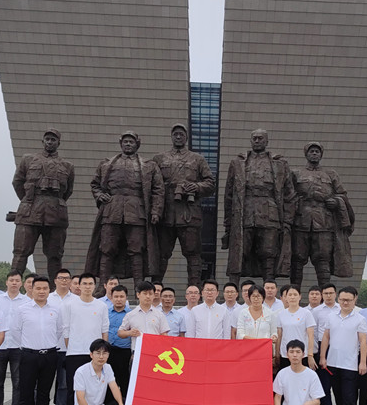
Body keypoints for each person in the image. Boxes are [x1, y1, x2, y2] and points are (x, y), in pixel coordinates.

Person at [85, 130, 164, 290]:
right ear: (120, 144)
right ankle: (102, 287)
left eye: (131, 142)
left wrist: (156, 211)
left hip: (137, 212)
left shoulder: (149, 165)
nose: (128, 144)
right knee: (106, 248)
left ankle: (139, 288)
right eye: (125, 141)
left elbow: (158, 190)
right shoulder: (106, 164)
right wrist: (99, 195)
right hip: (111, 210)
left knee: (137, 250)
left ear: (137, 144)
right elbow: (95, 184)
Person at [222, 129, 296, 284]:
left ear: (266, 141)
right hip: (245, 212)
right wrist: (228, 223)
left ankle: (269, 287)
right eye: (254, 138)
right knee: (239, 251)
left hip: (270, 213)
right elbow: (229, 195)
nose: (257, 141)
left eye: (260, 138)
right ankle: (232, 289)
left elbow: (289, 194)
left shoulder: (280, 163)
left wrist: (287, 221)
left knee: (269, 252)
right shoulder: (237, 163)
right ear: (250, 141)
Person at [152, 123, 215, 286]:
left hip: (189, 213)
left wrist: (196, 187)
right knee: (161, 253)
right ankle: (155, 287)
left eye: (181, 134)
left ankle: (193, 289)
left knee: (193, 253)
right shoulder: (159, 159)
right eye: (176, 134)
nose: (178, 137)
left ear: (186, 137)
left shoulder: (198, 159)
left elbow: (210, 184)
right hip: (166, 214)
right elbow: (151, 184)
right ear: (171, 137)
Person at [11, 128, 75, 279]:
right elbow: (17, 182)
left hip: (55, 213)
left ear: (58, 143)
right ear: (43, 141)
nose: (50, 142)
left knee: (55, 255)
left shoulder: (68, 166)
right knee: (21, 251)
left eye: (53, 140)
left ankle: (54, 289)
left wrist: (54, 202)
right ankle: (13, 284)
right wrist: (28, 200)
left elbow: (68, 191)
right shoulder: (28, 159)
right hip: (30, 210)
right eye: (47, 139)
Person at [290, 141, 355, 287]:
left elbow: (343, 195)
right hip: (300, 223)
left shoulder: (331, 174)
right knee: (297, 259)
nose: (314, 153)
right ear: (306, 154)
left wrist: (336, 202)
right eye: (311, 151)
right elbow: (288, 196)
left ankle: (325, 294)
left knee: (323, 260)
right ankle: (294, 293)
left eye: (317, 151)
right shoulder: (295, 174)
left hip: (324, 224)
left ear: (321, 155)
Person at [118, 281, 170, 405]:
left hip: (155, 360)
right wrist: (129, 333)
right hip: (137, 358)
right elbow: (120, 332)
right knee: (135, 393)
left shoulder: (159, 315)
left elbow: (165, 336)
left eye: (150, 293)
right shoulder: (131, 315)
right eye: (145, 293)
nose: (148, 296)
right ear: (138, 295)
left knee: (154, 393)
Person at [61, 273, 110, 405]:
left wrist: (103, 352)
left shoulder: (101, 306)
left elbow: (104, 329)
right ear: (79, 286)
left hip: (95, 355)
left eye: (90, 284)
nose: (88, 286)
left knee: (95, 389)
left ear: (95, 286)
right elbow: (66, 330)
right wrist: (72, 347)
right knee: (73, 391)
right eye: (85, 283)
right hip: (75, 353)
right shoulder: (69, 304)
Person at [14, 276, 63, 405]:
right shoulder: (22, 309)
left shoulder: (56, 309)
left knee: (44, 393)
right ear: (31, 289)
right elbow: (16, 331)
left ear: (49, 290)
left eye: (45, 288)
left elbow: (59, 331)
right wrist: (29, 347)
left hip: (49, 355)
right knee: (26, 394)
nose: (42, 291)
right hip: (29, 356)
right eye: (38, 288)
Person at [318, 286, 367, 405]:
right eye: (342, 300)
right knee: (338, 396)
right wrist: (323, 357)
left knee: (349, 398)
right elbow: (326, 337)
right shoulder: (331, 317)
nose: (345, 303)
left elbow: (363, 341)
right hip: (333, 363)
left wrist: (363, 362)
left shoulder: (359, 319)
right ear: (338, 299)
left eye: (348, 300)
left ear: (355, 300)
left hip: (350, 364)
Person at [185, 279, 231, 405]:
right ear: (202, 293)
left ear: (217, 293)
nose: (209, 292)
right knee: (196, 389)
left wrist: (224, 355)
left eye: (212, 290)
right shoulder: (195, 311)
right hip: (198, 356)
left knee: (215, 389)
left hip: (217, 356)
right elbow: (190, 335)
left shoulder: (224, 311)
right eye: (207, 290)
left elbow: (226, 336)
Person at [235, 284, 278, 405]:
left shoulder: (270, 314)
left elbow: (274, 333)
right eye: (253, 296)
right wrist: (259, 341)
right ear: (249, 297)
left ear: (263, 297)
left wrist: (272, 339)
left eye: (259, 296)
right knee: (248, 391)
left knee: (264, 391)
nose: (256, 299)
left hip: (264, 358)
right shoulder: (243, 313)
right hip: (247, 358)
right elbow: (240, 334)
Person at [0, 270, 31, 405]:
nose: (14, 283)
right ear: (6, 282)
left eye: (17, 280)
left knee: (18, 382)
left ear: (21, 283)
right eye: (11, 280)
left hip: (18, 347)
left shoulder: (27, 301)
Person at [103, 285, 131, 405]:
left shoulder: (131, 314)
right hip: (108, 352)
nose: (119, 299)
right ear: (111, 297)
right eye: (116, 297)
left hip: (125, 352)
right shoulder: (105, 312)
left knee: (124, 383)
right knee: (108, 383)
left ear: (126, 298)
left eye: (122, 296)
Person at [47, 268, 74, 405]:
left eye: (67, 278)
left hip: (68, 348)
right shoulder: (48, 298)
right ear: (55, 280)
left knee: (64, 383)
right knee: (45, 382)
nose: (64, 280)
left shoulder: (76, 300)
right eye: (61, 278)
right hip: (49, 347)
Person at [311, 283, 339, 405]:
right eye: (326, 293)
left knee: (340, 385)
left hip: (339, 348)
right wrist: (318, 353)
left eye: (331, 293)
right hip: (322, 349)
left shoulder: (341, 309)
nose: (328, 296)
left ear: (335, 294)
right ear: (322, 295)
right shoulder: (316, 311)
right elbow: (314, 332)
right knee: (325, 385)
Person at [160, 286, 186, 405]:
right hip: (158, 355)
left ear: (174, 299)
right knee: (158, 387)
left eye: (170, 296)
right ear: (160, 298)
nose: (168, 299)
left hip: (174, 356)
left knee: (172, 389)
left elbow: (182, 337)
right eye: (165, 296)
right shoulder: (155, 314)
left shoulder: (179, 316)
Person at [276, 285, 316, 371]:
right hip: (285, 354)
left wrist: (310, 355)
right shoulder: (281, 314)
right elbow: (279, 336)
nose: (292, 297)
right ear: (286, 297)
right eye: (290, 295)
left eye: (295, 294)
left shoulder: (306, 313)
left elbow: (311, 336)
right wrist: (277, 354)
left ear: (300, 297)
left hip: (302, 354)